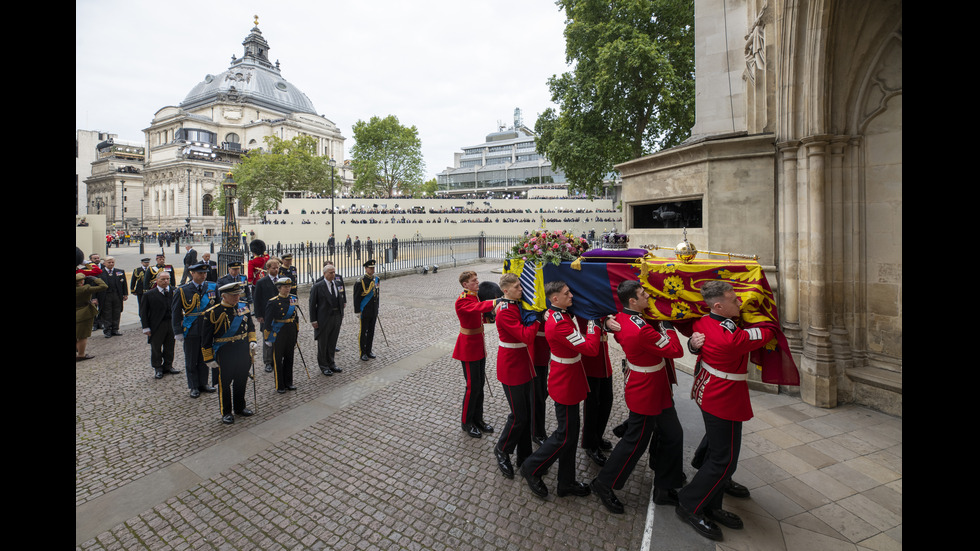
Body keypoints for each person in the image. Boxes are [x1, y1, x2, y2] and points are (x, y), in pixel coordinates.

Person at [675, 280, 775, 541]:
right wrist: (768, 316)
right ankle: (689, 503)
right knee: (724, 459)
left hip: (712, 391)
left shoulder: (704, 322)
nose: (740, 302)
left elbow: (693, 330)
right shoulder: (729, 337)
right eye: (734, 299)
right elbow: (766, 332)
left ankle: (712, 501)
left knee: (719, 451)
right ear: (718, 305)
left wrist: (693, 345)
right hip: (723, 398)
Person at [590, 280, 685, 514]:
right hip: (647, 390)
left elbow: (615, 326)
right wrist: (667, 325)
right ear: (632, 301)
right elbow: (676, 350)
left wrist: (606, 322)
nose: (648, 297)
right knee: (635, 442)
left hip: (655, 386)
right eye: (643, 294)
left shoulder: (622, 319)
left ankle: (665, 485)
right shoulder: (641, 328)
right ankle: (604, 483)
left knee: (673, 434)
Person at [519, 280, 619, 499]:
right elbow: (591, 348)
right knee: (564, 435)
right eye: (567, 293)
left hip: (571, 378)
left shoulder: (560, 314)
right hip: (565, 383)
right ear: (555, 299)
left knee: (571, 435)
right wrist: (593, 321)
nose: (571, 296)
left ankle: (566, 482)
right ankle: (531, 467)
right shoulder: (560, 323)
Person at [492, 273, 539, 478]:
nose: (521, 290)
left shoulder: (516, 305)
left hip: (522, 363)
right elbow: (527, 336)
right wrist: (536, 319)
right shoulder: (505, 311)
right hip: (511, 367)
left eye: (521, 286)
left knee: (526, 414)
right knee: (518, 415)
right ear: (506, 290)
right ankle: (502, 449)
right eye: (518, 287)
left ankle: (524, 455)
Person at [202, 282, 257, 424]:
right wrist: (208, 358)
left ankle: (240, 407)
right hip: (225, 352)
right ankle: (226, 411)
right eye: (233, 295)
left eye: (238, 294)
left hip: (242, 349)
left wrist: (252, 340)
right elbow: (206, 338)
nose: (237, 297)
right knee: (224, 383)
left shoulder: (243, 307)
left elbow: (250, 326)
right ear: (224, 296)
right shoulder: (213, 312)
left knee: (241, 380)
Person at [452, 270, 497, 438]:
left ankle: (478, 419)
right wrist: (496, 301)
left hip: (478, 346)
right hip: (468, 348)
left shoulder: (475, 296)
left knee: (479, 386)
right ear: (465, 285)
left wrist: (489, 317)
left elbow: (479, 316)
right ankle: (466, 422)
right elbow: (476, 308)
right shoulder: (462, 300)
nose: (477, 282)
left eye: (477, 280)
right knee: (472, 387)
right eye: (474, 280)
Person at [172, 263, 218, 398]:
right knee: (191, 359)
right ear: (192, 273)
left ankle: (203, 383)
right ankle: (193, 386)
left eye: (204, 273)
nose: (203, 276)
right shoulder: (183, 290)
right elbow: (176, 312)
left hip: (207, 328)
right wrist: (177, 331)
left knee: (205, 357)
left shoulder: (212, 287)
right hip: (191, 328)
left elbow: (218, 306)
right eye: (200, 273)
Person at [578, 314, 614, 467]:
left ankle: (597, 436)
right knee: (592, 404)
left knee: (606, 401)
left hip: (603, 356)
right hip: (591, 356)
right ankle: (590, 443)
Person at [140, 271, 179, 380]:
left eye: (167, 279)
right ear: (157, 280)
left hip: (171, 323)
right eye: (163, 279)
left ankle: (168, 366)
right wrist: (145, 327)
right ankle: (157, 367)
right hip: (157, 324)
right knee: (156, 347)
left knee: (170, 346)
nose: (165, 281)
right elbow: (143, 312)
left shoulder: (174, 291)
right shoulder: (149, 294)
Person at [309, 261, 345, 376]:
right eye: (330, 273)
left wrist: (341, 314)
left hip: (336, 317)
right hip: (323, 318)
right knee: (323, 343)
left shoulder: (337, 284)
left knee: (332, 342)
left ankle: (331, 363)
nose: (333, 275)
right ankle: (324, 366)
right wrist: (313, 320)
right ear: (325, 274)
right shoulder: (318, 286)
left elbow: (341, 299)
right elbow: (312, 304)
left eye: (334, 272)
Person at [264, 278, 299, 393]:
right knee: (278, 359)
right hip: (279, 333)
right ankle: (280, 385)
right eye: (285, 287)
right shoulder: (273, 301)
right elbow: (268, 321)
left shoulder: (293, 299)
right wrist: (267, 337)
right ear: (279, 288)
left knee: (289, 357)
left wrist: (296, 331)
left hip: (290, 330)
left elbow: (295, 317)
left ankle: (289, 382)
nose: (288, 289)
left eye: (289, 287)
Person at [252, 257, 281, 373]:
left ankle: (277, 358)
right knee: (267, 338)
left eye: (277, 268)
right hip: (266, 315)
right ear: (268, 269)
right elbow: (257, 300)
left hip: (280, 315)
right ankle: (268, 361)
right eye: (274, 268)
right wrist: (259, 315)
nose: (276, 270)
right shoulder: (261, 282)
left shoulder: (282, 280)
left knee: (279, 338)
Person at [77, 272, 108, 362]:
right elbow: (104, 286)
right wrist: (95, 279)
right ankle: (81, 355)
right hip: (84, 314)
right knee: (83, 336)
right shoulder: (85, 289)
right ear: (81, 282)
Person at [353, 259, 379, 361]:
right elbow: (356, 297)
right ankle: (362, 352)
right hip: (365, 310)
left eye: (373, 268)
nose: (372, 270)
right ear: (366, 268)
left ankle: (369, 350)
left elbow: (377, 295)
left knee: (371, 331)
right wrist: (357, 311)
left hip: (373, 310)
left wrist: (377, 308)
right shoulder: (361, 281)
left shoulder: (376, 279)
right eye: (370, 268)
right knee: (363, 331)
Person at [98, 256, 128, 338]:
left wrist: (125, 294)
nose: (111, 264)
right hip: (106, 296)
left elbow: (124, 284)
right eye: (109, 262)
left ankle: (115, 329)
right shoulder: (100, 273)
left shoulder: (119, 272)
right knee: (107, 313)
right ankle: (107, 330)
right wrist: (94, 298)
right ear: (104, 263)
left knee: (116, 312)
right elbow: (95, 286)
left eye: (112, 262)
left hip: (117, 295)